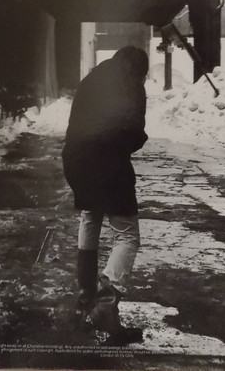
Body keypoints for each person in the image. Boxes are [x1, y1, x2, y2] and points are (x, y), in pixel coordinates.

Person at [62, 45, 149, 345]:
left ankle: (86, 296)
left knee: (91, 215)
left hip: (75, 161)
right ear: (137, 70)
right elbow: (132, 131)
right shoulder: (131, 85)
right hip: (107, 162)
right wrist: (138, 139)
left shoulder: (93, 78)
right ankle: (105, 306)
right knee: (127, 235)